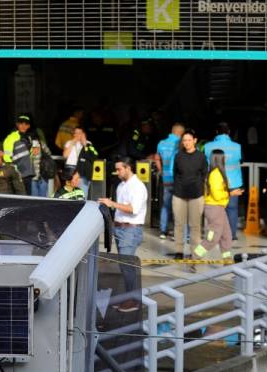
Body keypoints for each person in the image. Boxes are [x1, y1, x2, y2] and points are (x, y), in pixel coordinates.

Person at [98, 157, 147, 312]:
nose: (117, 172)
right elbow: (121, 208)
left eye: (119, 169)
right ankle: (129, 298)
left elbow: (134, 209)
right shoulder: (121, 186)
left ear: (128, 168)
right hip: (120, 229)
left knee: (127, 267)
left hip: (130, 230)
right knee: (125, 266)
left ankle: (134, 300)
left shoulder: (138, 187)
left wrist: (112, 204)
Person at [193, 150, 243, 262]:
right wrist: (231, 193)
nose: (225, 159)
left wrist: (230, 192)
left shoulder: (218, 173)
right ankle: (195, 257)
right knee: (213, 238)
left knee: (226, 236)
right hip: (214, 208)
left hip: (219, 208)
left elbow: (220, 191)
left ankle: (227, 260)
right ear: (219, 159)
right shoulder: (215, 174)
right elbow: (216, 195)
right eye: (224, 157)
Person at [171, 129, 208, 265]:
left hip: (196, 195)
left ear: (195, 140)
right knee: (179, 224)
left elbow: (204, 174)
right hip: (179, 194)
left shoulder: (201, 157)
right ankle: (179, 251)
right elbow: (175, 173)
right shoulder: (178, 156)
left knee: (195, 226)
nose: (186, 143)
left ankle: (195, 252)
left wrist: (197, 187)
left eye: (189, 140)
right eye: (184, 140)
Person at [204, 123, 244, 239]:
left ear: (216, 132)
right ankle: (231, 235)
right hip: (233, 182)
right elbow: (241, 160)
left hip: (214, 182)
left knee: (215, 211)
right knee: (232, 210)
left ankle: (212, 236)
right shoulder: (237, 146)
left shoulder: (207, 146)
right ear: (229, 132)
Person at [3, 114, 50, 196]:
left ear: (29, 126)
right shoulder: (11, 138)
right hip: (17, 174)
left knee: (29, 198)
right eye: (21, 123)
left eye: (26, 124)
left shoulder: (32, 137)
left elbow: (36, 154)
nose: (23, 126)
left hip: (30, 174)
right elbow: (7, 157)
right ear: (17, 124)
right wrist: (13, 170)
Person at [154, 122, 184, 240]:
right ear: (181, 133)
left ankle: (163, 231)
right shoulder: (180, 144)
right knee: (179, 206)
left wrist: (161, 170)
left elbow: (157, 158)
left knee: (165, 205)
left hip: (166, 178)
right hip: (178, 179)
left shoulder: (161, 143)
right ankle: (177, 232)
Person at [63, 125, 98, 197]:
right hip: (70, 170)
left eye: (79, 133)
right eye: (75, 133)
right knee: (69, 195)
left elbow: (92, 156)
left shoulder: (88, 143)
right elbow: (65, 155)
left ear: (83, 134)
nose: (77, 135)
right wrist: (73, 143)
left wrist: (84, 144)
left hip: (82, 172)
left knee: (81, 194)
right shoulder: (69, 143)